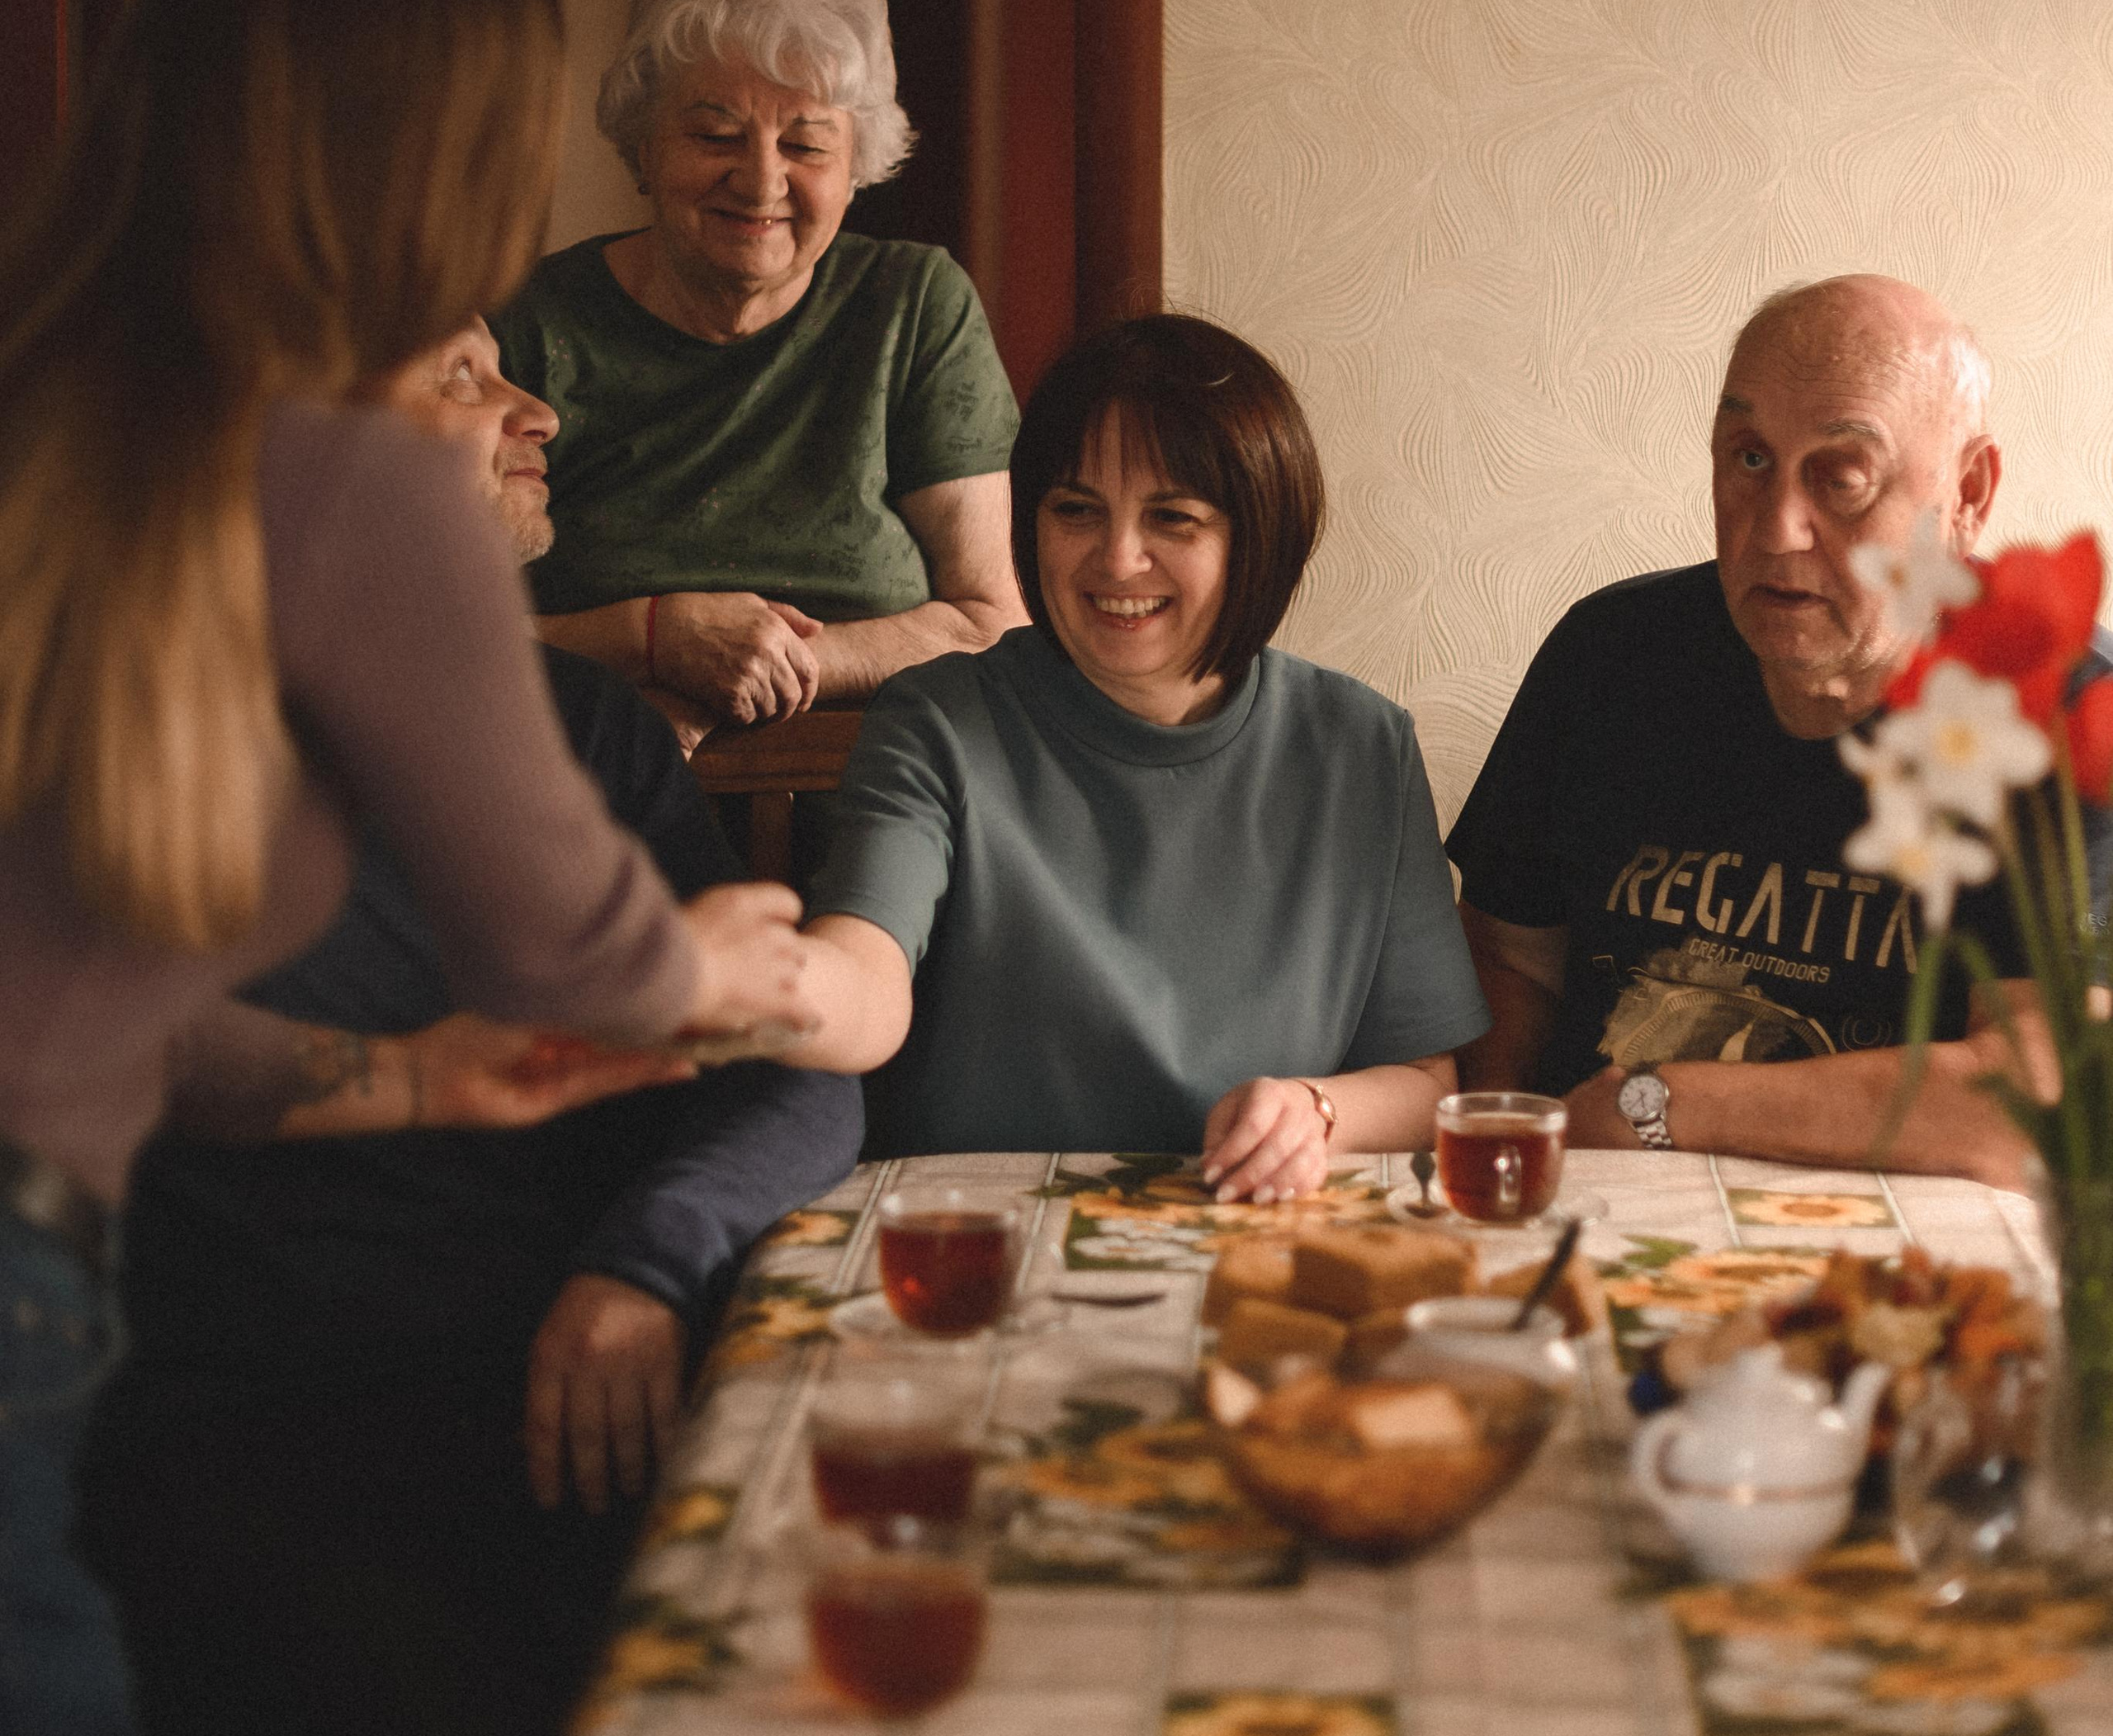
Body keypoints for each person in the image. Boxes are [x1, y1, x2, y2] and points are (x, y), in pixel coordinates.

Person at [0, 0, 812, 1736]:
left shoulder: (78, 417)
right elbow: (587, 947)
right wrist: (739, 963)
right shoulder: (353, 482)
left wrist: (399, 1074)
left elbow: (98, 1006)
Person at [77, 319, 862, 1736]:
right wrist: (419, 1076)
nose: (537, 416)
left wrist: (639, 1259)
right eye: (460, 379)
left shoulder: (579, 728)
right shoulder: (156, 722)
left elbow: (794, 1071)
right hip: (255, 1424)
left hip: (577, 1396)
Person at [778, 315, 1490, 1191]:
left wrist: (1313, 1110)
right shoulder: (937, 720)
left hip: (1247, 1232)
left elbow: (1427, 1084)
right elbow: (865, 968)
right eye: (1076, 510)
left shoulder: (1363, 747)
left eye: (1173, 519)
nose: (1117, 559)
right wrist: (769, 988)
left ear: (1256, 539)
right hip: (975, 1240)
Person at [1445, 274, 2113, 1185]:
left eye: (1840, 479)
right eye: (1748, 459)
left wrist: (1656, 1106)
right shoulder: (1609, 655)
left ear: (1967, 492)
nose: (1776, 530)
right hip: (1596, 1208)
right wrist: (1505, 1162)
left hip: (1903, 1253)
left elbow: (2041, 1100)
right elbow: (1506, 955)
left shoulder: (2068, 719)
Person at [494, 0, 1025, 736]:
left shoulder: (913, 307)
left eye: (806, 143)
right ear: (642, 142)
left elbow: (988, 621)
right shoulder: (523, 327)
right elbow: (435, 634)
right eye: (715, 134)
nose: (762, 180)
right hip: (600, 823)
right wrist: (653, 640)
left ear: (860, 163)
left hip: (882, 821)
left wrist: (772, 664)